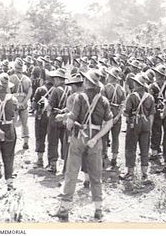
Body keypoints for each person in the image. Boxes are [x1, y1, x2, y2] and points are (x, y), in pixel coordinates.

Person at [53, 69, 113, 222]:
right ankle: (98, 209)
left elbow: (71, 121)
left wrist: (67, 123)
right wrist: (96, 138)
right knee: (95, 175)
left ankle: (64, 209)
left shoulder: (79, 98)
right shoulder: (103, 100)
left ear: (86, 82)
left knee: (72, 173)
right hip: (95, 140)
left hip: (79, 138)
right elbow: (110, 123)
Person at [120, 73, 155, 181]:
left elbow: (126, 113)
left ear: (138, 84)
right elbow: (152, 114)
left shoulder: (132, 96)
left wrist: (123, 112)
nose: (133, 84)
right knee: (145, 149)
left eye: (135, 83)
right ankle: (144, 173)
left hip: (134, 124)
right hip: (146, 124)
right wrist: (149, 127)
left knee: (131, 148)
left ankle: (130, 173)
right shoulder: (150, 97)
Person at [101, 67, 126, 170]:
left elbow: (102, 104)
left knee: (104, 137)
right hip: (117, 114)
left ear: (111, 77)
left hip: (107, 113)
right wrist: (118, 116)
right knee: (116, 138)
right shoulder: (122, 89)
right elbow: (122, 105)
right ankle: (114, 159)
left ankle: (104, 157)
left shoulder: (105, 88)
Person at [46, 68, 69, 174]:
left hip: (55, 118)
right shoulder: (69, 90)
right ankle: (66, 166)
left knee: (52, 142)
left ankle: (53, 165)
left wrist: (46, 104)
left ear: (59, 79)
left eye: (55, 78)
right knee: (65, 143)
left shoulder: (55, 90)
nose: (53, 81)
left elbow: (50, 107)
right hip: (65, 118)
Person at [32, 70, 54, 168]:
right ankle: (52, 163)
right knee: (52, 139)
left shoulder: (40, 90)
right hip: (52, 116)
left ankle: (40, 159)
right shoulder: (56, 90)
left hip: (41, 116)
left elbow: (34, 105)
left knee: (40, 137)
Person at [148, 64, 166, 161]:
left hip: (156, 110)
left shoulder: (152, 86)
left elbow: (149, 100)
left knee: (156, 131)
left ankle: (154, 152)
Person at [9, 58, 32, 150]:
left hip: (14, 103)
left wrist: (15, 102)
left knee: (12, 123)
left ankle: (12, 141)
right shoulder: (27, 79)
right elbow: (30, 93)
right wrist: (23, 102)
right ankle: (25, 141)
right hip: (24, 103)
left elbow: (9, 92)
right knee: (25, 123)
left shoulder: (11, 78)